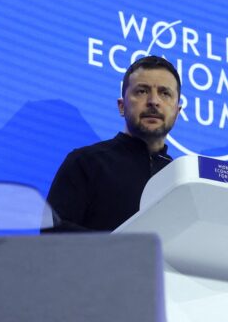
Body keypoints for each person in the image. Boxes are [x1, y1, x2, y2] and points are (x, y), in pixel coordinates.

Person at [45, 55, 182, 232]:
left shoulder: (182, 178)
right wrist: (123, 246)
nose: (153, 101)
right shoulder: (84, 162)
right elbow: (53, 233)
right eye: (142, 91)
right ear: (121, 106)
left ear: (177, 111)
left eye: (165, 93)